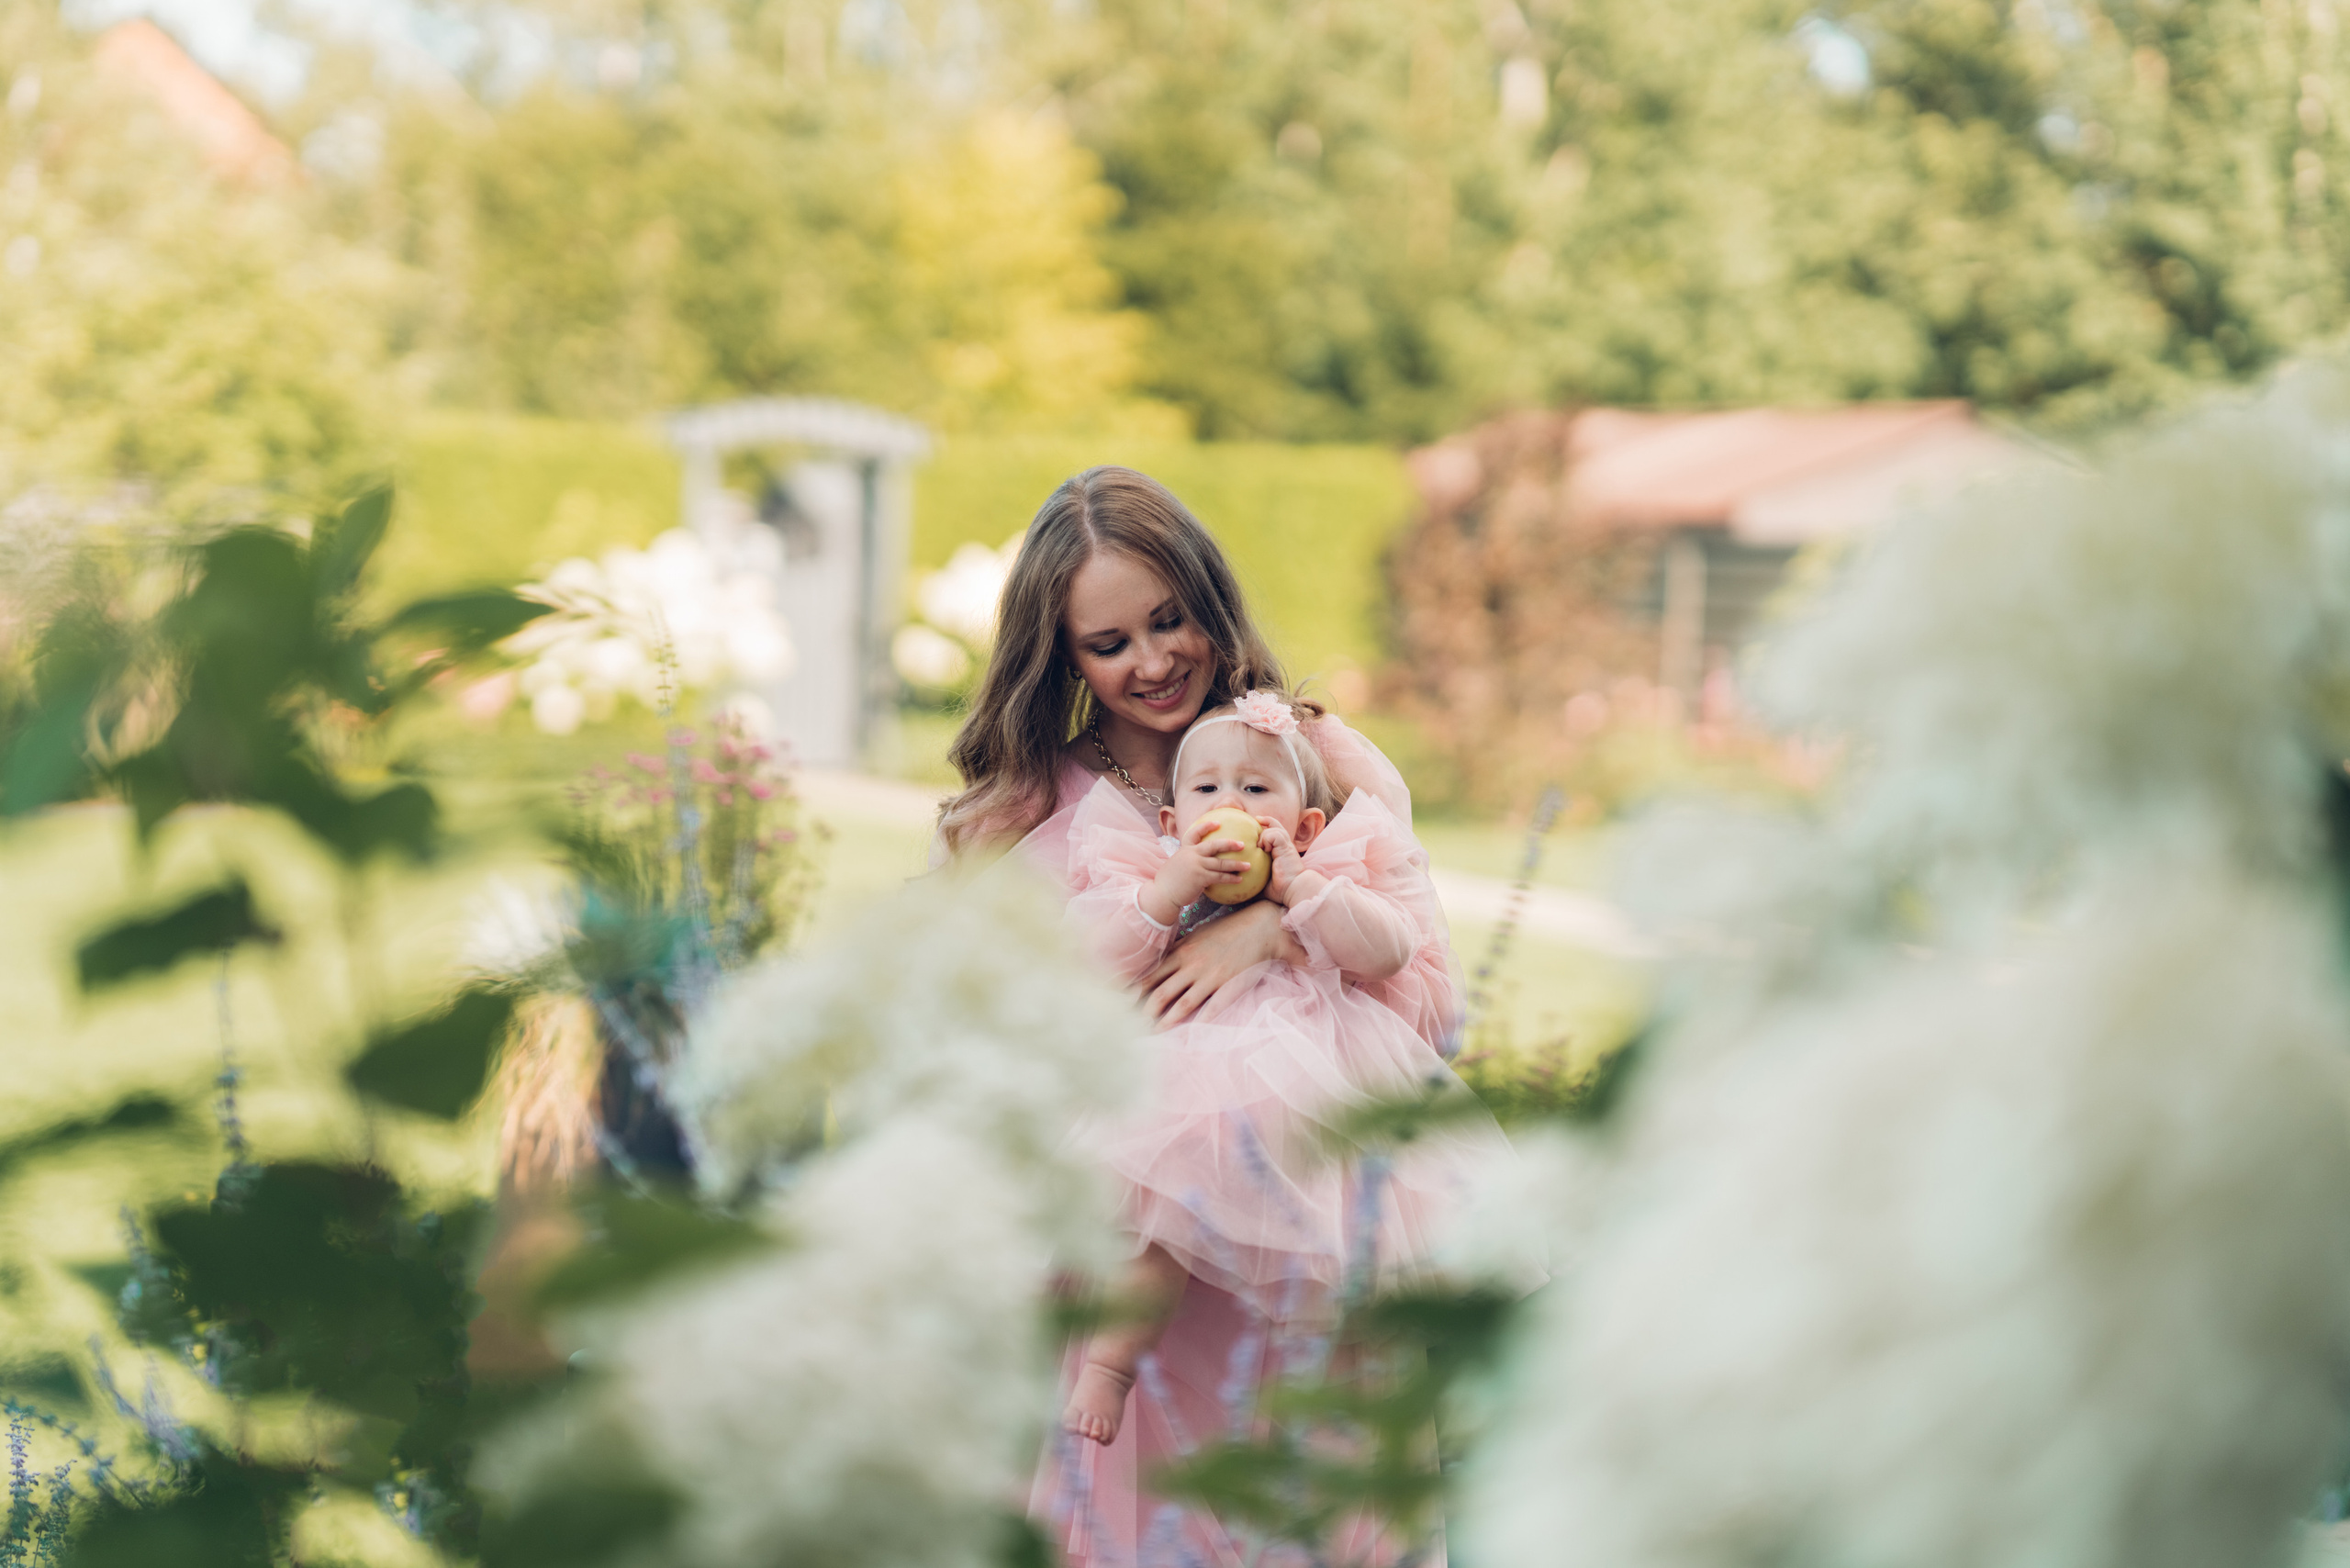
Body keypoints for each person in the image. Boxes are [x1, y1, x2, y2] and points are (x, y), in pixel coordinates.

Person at [933, 466, 1476, 1567]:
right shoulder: (1030, 810)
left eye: (1169, 618)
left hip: (1303, 1246)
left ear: (1209, 600)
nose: (1153, 660)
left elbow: (1431, 1000)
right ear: (1062, 656)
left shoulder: (1314, 759)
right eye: (1109, 642)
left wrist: (1274, 927)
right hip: (1128, 1272)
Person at [1055, 689, 1513, 1451]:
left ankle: (1318, 1398)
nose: (1229, 804)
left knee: (1329, 1239)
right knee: (1154, 1228)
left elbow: (1390, 952)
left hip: (1309, 1091)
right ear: (1171, 822)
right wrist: (1173, 886)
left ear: (1304, 825)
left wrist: (1300, 889)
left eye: (1256, 788)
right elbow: (1093, 957)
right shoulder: (1157, 872)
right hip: (1188, 1093)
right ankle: (1109, 1364)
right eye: (1206, 789)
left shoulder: (1327, 873)